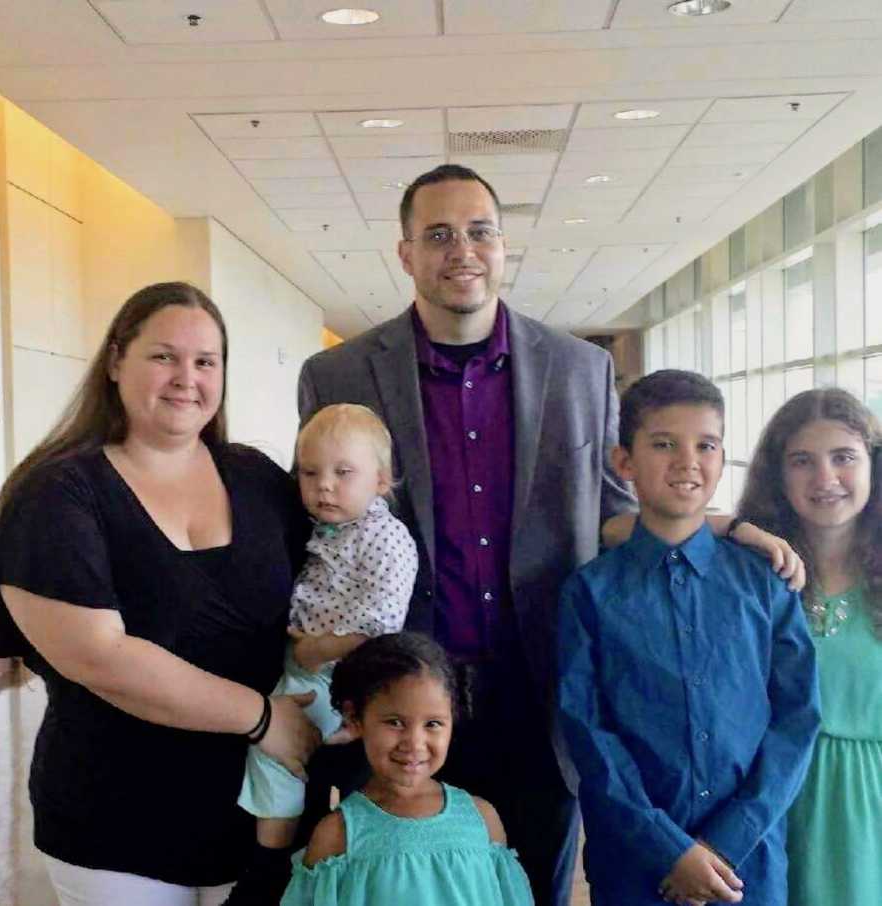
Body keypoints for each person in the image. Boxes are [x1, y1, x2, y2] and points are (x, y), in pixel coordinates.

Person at [295, 164, 805, 905]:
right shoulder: (337, 373)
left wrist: (718, 526)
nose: (460, 250)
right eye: (437, 234)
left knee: (532, 880)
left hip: (541, 690)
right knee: (404, 884)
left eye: (479, 232)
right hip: (405, 696)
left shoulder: (580, 369)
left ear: (505, 247)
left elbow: (610, 508)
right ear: (405, 253)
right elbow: (322, 521)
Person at [0, 282, 319, 906]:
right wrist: (263, 717)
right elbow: (101, 658)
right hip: (115, 824)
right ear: (115, 363)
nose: (186, 377)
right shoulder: (56, 493)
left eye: (205, 361)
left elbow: (324, 585)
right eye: (164, 356)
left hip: (259, 812)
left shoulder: (255, 477)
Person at [557, 369, 821, 906]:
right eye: (663, 444)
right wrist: (668, 849)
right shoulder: (590, 593)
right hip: (636, 865)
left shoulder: (765, 584)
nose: (687, 462)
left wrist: (727, 844)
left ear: (723, 458)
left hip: (749, 864)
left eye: (706, 445)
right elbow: (588, 733)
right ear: (624, 462)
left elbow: (797, 719)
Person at [226, 404, 418, 905]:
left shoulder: (385, 537)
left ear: (380, 480)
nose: (324, 486)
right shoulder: (328, 527)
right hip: (310, 662)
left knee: (275, 750)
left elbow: (382, 623)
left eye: (343, 473)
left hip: (341, 672)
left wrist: (318, 647)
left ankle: (268, 865)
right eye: (310, 473)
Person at [735, 388, 882, 906]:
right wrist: (734, 529)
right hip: (770, 799)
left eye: (844, 457)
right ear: (778, 474)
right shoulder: (746, 572)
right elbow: (623, 531)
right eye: (803, 461)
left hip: (872, 811)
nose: (825, 479)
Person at [281, 631, 534, 906]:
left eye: (433, 724)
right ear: (355, 718)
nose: (415, 743)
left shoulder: (483, 819)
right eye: (395, 722)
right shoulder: (338, 835)